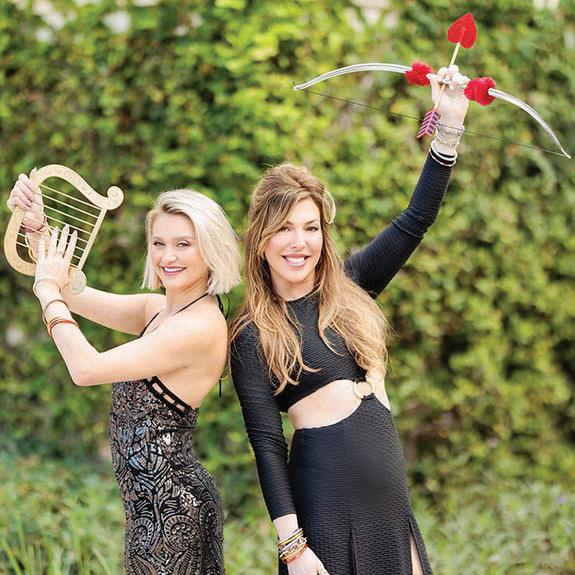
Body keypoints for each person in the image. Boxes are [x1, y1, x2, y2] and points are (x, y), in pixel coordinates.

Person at [230, 65, 469, 575]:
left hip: (391, 509)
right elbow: (267, 445)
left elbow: (416, 219)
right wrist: (293, 548)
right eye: (284, 229)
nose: (299, 242)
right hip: (326, 515)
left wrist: (449, 124)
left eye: (311, 227)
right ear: (261, 239)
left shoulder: (350, 284)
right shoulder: (253, 334)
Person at [7, 181, 241, 575]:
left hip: (173, 513)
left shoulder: (198, 327)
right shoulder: (159, 310)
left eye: (184, 244)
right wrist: (38, 231)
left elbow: (86, 368)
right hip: (150, 511)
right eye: (159, 243)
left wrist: (46, 291)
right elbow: (73, 293)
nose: (167, 256)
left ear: (211, 249)